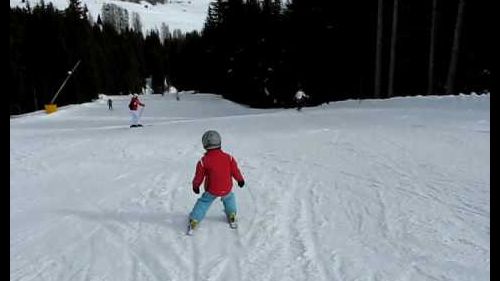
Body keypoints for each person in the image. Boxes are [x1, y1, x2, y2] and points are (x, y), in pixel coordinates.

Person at [187, 130, 245, 234]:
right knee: (229, 198)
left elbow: (198, 176)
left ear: (204, 145)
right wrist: (240, 180)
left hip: (212, 189)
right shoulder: (229, 158)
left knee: (204, 202)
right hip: (226, 187)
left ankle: (194, 220)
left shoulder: (203, 161)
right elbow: (235, 171)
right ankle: (232, 215)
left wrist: (196, 185)